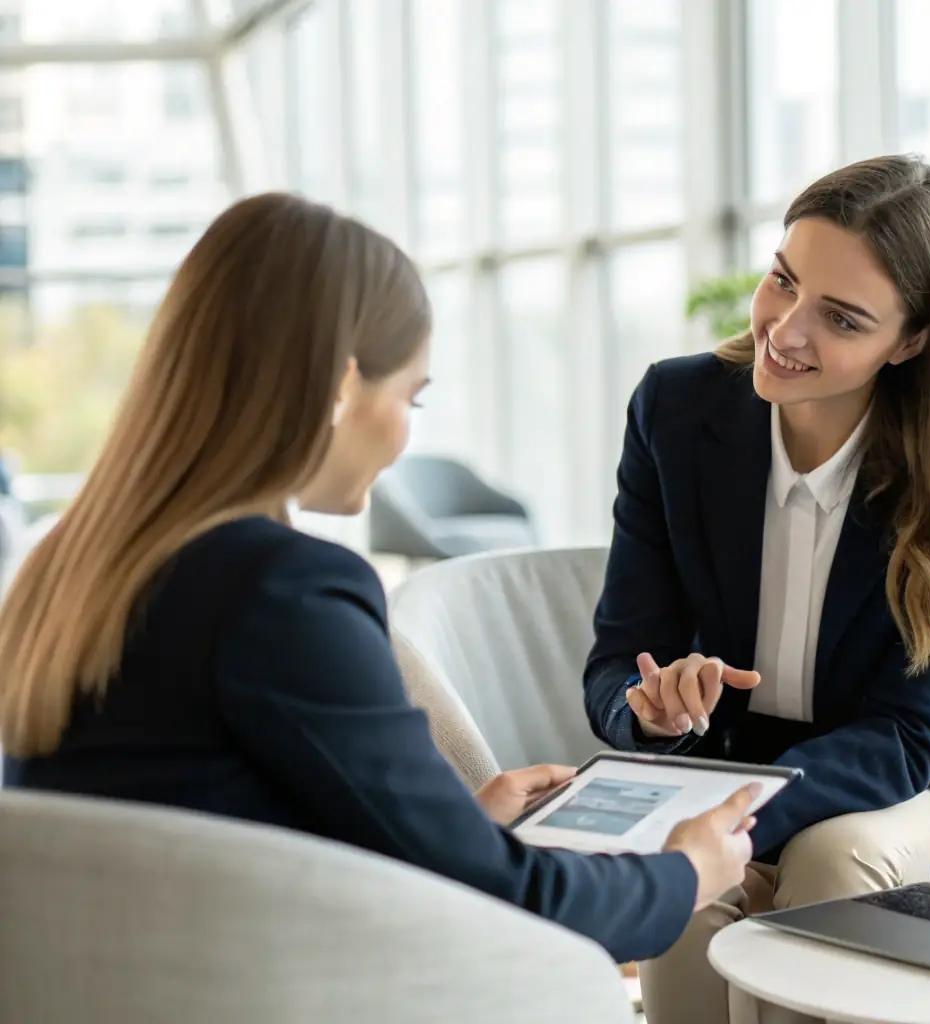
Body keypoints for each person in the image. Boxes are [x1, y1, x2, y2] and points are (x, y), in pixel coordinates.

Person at [0, 193, 757, 969]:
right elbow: (508, 903)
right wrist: (685, 869)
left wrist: (459, 825)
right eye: (409, 396)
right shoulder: (279, 589)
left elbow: (211, 808)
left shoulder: (68, 566)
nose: (405, 435)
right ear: (338, 384)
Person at [584, 154, 930, 1022]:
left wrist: (739, 813)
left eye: (841, 317)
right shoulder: (675, 410)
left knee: (831, 862)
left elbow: (909, 728)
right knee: (684, 888)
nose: (782, 331)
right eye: (781, 281)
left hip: (903, 783)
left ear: (910, 341)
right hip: (723, 773)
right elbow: (615, 661)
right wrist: (653, 709)